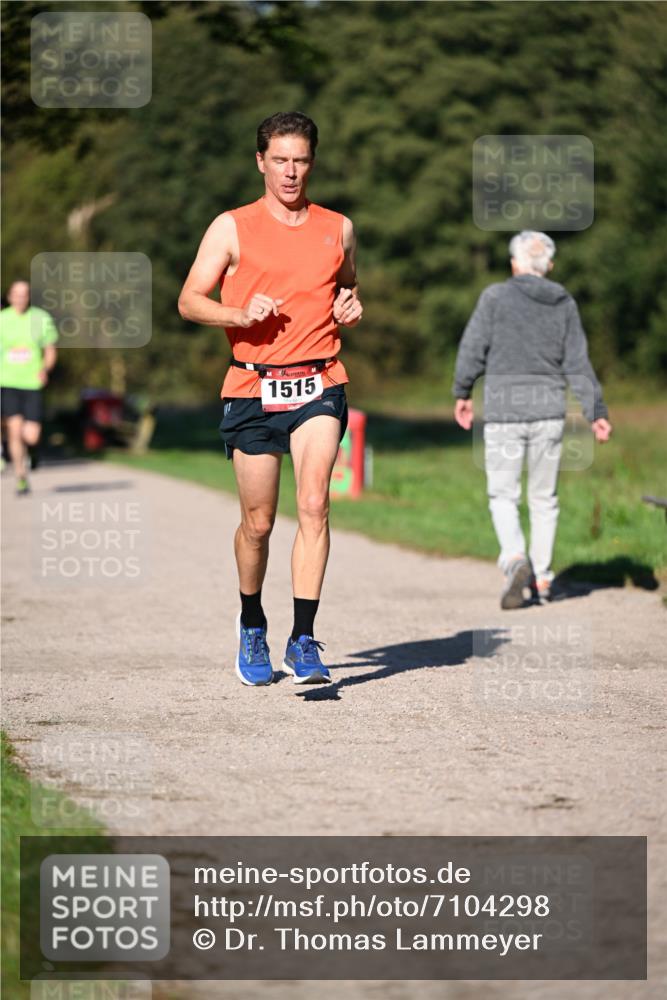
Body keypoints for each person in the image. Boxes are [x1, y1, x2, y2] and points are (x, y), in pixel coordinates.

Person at [178, 111, 362, 686]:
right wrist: (237, 313)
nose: (290, 171)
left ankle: (303, 638)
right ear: (260, 161)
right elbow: (188, 300)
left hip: (319, 382)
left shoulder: (338, 227)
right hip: (252, 385)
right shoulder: (231, 227)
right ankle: (252, 622)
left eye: (300, 160)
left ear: (312, 163)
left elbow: (347, 284)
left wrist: (350, 305)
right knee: (258, 523)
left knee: (314, 506)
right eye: (279, 160)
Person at [452, 231, 612, 609]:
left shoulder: (494, 297)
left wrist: (462, 392)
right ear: (549, 266)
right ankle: (541, 578)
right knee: (544, 498)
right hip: (548, 412)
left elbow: (473, 348)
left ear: (514, 264)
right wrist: (597, 413)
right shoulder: (564, 302)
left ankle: (514, 558)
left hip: (505, 412)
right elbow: (577, 362)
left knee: (503, 494)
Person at [0, 280, 58, 495]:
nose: (20, 298)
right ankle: (21, 477)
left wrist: (45, 369)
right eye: (16, 294)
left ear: (29, 297)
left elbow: (50, 349)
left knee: (31, 435)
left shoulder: (40, 318)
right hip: (8, 381)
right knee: (14, 431)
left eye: (24, 294)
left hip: (31, 383)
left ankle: (32, 452)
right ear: (9, 296)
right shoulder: (2, 319)